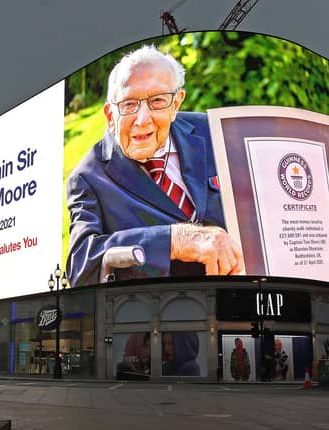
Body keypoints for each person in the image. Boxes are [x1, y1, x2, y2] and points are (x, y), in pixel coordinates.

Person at [66, 45, 244, 287]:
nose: (142, 119)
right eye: (128, 104)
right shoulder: (88, 177)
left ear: (176, 104)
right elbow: (81, 266)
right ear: (110, 116)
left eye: (158, 101)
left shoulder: (213, 131)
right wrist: (174, 240)